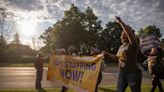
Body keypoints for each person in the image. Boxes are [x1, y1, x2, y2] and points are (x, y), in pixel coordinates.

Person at [103, 16, 142, 92]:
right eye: (122, 34)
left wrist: (120, 22)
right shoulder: (121, 47)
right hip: (122, 73)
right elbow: (117, 58)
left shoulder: (133, 43)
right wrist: (107, 54)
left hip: (133, 73)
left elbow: (130, 34)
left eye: (124, 33)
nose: (122, 35)